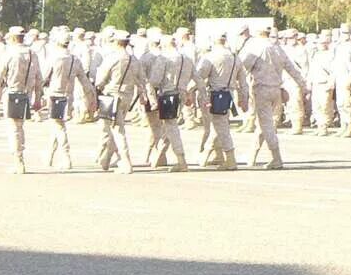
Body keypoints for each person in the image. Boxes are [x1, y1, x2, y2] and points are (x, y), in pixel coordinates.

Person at [243, 25, 308, 169]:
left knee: (266, 125)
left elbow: (243, 67)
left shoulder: (257, 47)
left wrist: (240, 87)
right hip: (276, 90)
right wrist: (304, 86)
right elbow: (292, 69)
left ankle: (276, 157)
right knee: (264, 124)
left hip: (262, 89)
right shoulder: (278, 49)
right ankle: (252, 156)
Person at [0, 26, 41, 174]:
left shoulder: (9, 53)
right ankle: (19, 157)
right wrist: (38, 96)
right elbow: (38, 78)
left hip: (12, 92)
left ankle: (18, 160)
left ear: (12, 38)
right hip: (26, 94)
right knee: (20, 127)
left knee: (14, 129)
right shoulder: (32, 54)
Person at [195, 30, 249, 171]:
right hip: (229, 94)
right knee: (218, 126)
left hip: (215, 94)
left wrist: (190, 91)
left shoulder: (211, 56)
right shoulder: (234, 57)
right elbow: (243, 80)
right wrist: (244, 98)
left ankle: (230, 158)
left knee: (221, 127)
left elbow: (199, 75)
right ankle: (207, 155)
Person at [141, 30, 192, 172]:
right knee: (170, 127)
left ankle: (181, 160)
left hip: (168, 95)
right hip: (180, 94)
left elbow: (153, 81)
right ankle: (160, 155)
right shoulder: (186, 58)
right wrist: (190, 94)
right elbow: (197, 78)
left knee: (171, 127)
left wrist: (151, 98)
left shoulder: (163, 59)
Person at [94, 31, 145, 173]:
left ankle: (126, 161)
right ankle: (106, 159)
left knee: (117, 129)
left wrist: (98, 88)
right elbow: (141, 79)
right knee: (114, 126)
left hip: (112, 96)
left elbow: (100, 80)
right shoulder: (134, 59)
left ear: (116, 42)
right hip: (127, 96)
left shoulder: (112, 58)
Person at [41, 29, 83, 170]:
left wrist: (36, 90)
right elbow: (84, 80)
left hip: (55, 95)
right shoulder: (75, 59)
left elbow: (43, 76)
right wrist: (91, 96)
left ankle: (66, 157)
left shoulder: (54, 57)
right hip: (68, 95)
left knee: (59, 127)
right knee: (56, 125)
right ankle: (50, 156)